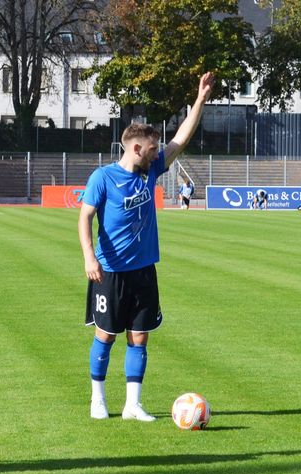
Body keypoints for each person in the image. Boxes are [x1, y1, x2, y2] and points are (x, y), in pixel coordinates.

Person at [78, 72, 215, 422]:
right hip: (108, 272)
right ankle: (98, 399)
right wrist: (89, 257)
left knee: (140, 336)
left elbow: (180, 141)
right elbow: (84, 218)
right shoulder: (103, 177)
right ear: (136, 148)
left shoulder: (149, 171)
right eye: (153, 148)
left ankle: (132, 405)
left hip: (143, 271)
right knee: (106, 335)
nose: (158, 154)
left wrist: (200, 99)